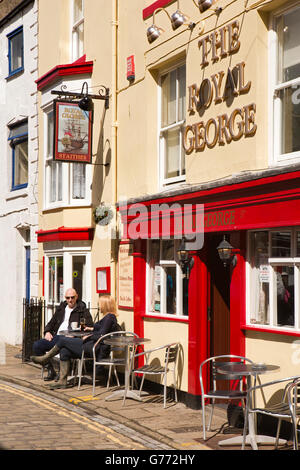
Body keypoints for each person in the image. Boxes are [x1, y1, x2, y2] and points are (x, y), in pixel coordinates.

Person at [30, 294, 119, 390]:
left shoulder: (110, 317)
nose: (99, 306)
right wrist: (91, 328)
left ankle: (45, 358)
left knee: (63, 340)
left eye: (100, 304)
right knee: (64, 350)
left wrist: (90, 335)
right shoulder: (108, 317)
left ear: (105, 305)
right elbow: (102, 330)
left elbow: (101, 335)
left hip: (94, 347)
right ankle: (62, 381)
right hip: (91, 345)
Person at [32, 288, 93, 381]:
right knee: (37, 345)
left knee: (64, 349)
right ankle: (50, 370)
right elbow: (51, 323)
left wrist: (76, 335)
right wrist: (47, 332)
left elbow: (89, 326)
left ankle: (61, 374)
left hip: (71, 339)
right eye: (68, 298)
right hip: (57, 337)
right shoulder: (61, 308)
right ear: (65, 298)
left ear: (77, 297)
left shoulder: (82, 310)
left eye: (72, 297)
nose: (70, 300)